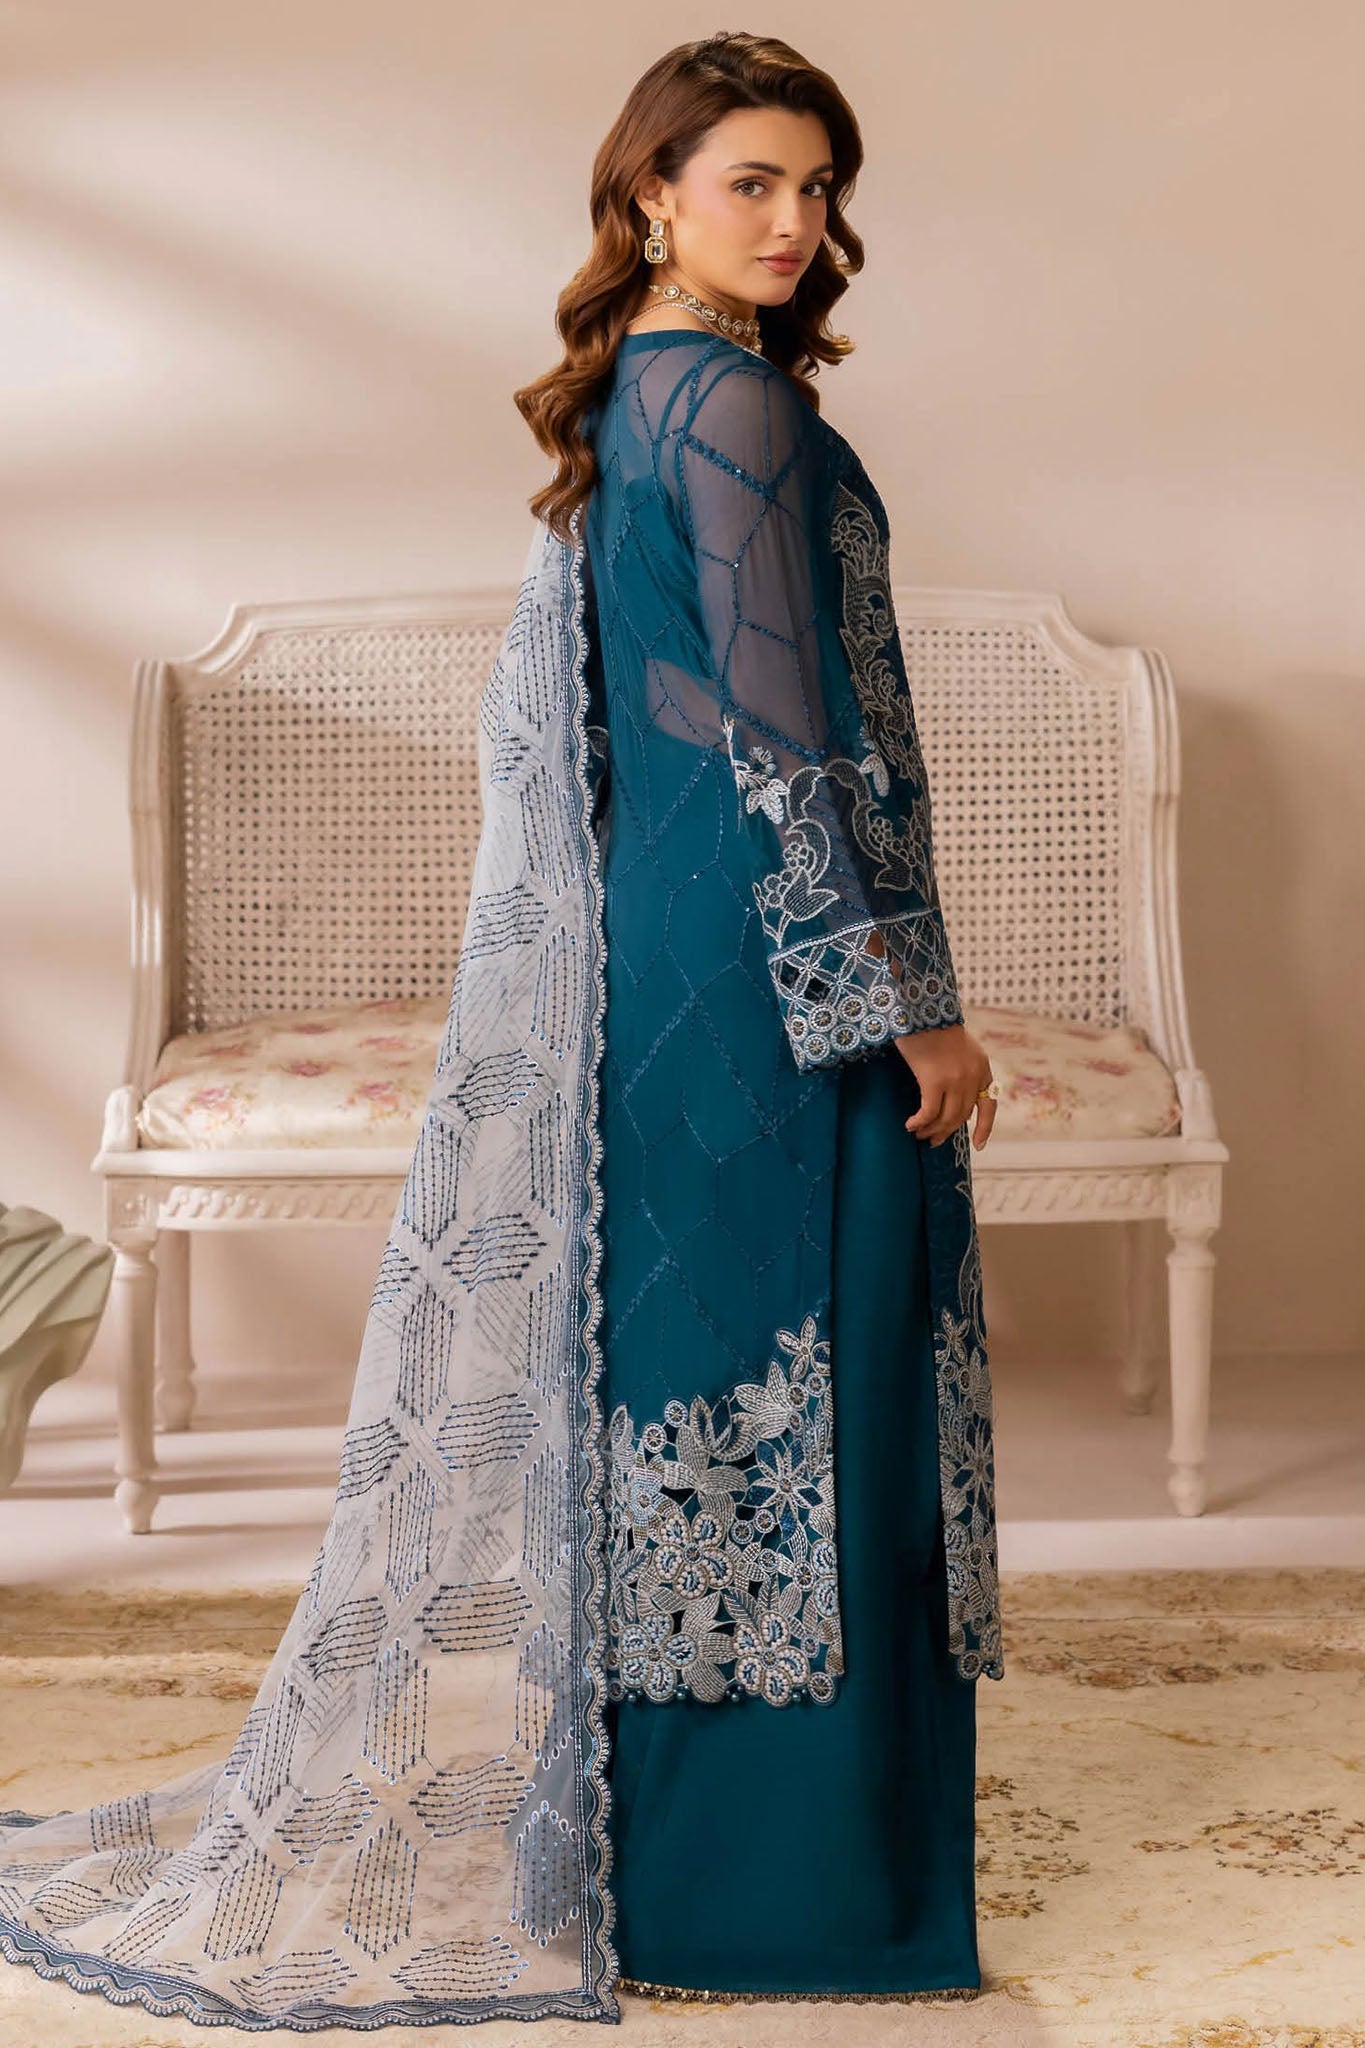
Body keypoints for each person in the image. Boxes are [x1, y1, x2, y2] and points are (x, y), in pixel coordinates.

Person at [0, 30, 1002, 2029]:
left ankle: (677, 1865)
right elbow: (785, 735)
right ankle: (782, 1891)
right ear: (648, 195)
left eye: (816, 188)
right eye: (750, 183)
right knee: (815, 1368)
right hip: (764, 963)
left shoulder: (646, 387)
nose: (793, 222)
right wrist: (906, 1002)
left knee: (708, 1372)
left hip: (671, 940)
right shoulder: (728, 401)